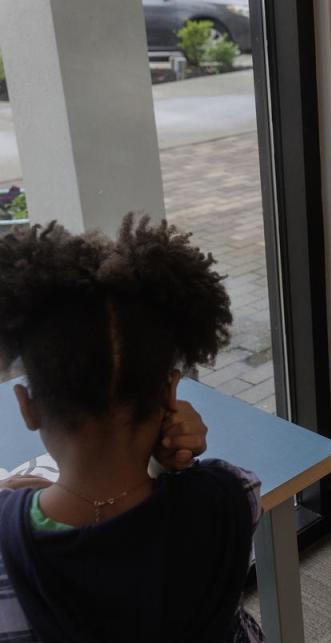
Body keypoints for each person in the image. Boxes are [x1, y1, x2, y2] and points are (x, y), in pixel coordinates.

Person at [0, 216, 264, 643]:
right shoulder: (232, 497)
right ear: (169, 395)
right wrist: (176, 467)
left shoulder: (6, 539)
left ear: (28, 409)